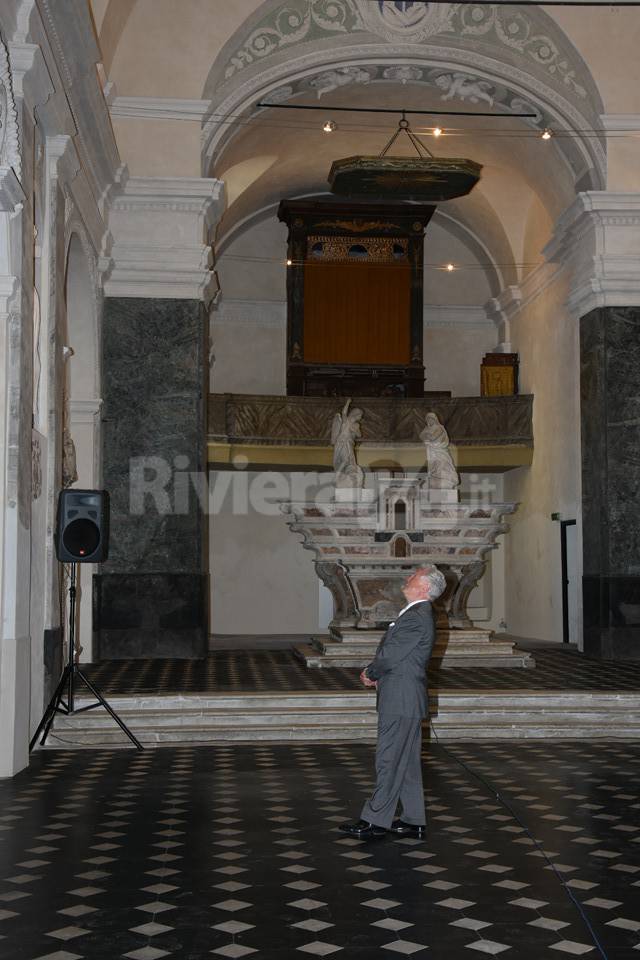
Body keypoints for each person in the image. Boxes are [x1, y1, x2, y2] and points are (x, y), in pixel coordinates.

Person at [340, 565, 447, 841]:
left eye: (413, 577)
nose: (407, 578)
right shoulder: (418, 614)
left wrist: (372, 672)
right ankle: (414, 820)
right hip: (404, 696)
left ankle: (375, 820)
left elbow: (391, 655)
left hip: (400, 699)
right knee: (407, 762)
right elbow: (400, 655)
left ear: (423, 587)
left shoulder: (416, 616)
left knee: (388, 759)